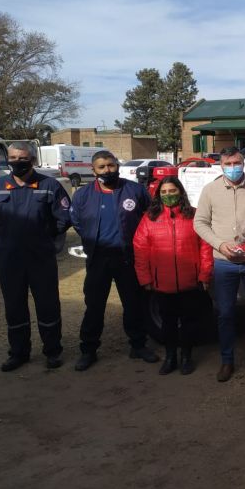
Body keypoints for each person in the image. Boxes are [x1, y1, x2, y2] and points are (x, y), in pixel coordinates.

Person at [0, 142, 72, 371]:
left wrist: (43, 240)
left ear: (31, 160)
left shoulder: (49, 185)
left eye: (21, 158)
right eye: (12, 158)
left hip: (40, 258)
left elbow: (63, 219)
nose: (16, 162)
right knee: (14, 307)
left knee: (48, 306)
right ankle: (18, 353)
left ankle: (52, 352)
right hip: (10, 259)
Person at [70, 150, 158, 371]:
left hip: (127, 256)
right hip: (98, 257)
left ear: (117, 165)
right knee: (94, 305)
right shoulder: (83, 195)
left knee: (133, 303)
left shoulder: (135, 190)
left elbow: (150, 218)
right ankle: (88, 350)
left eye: (111, 165)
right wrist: (92, 241)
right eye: (101, 167)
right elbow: (77, 222)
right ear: (93, 170)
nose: (107, 170)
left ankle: (138, 345)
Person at [194, 146, 245, 382]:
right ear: (221, 165)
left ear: (243, 163)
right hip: (224, 262)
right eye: (228, 164)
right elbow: (200, 223)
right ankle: (227, 360)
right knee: (226, 312)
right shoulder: (210, 191)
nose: (233, 168)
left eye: (236, 163)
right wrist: (220, 245)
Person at [133, 176, 213, 375]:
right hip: (162, 283)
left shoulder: (194, 215)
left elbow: (205, 246)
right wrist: (145, 279)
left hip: (190, 281)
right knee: (168, 322)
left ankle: (186, 357)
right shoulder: (150, 218)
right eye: (164, 192)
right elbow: (140, 248)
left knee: (189, 321)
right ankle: (170, 358)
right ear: (159, 195)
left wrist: (205, 274)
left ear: (181, 192)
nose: (169, 195)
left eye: (173, 191)